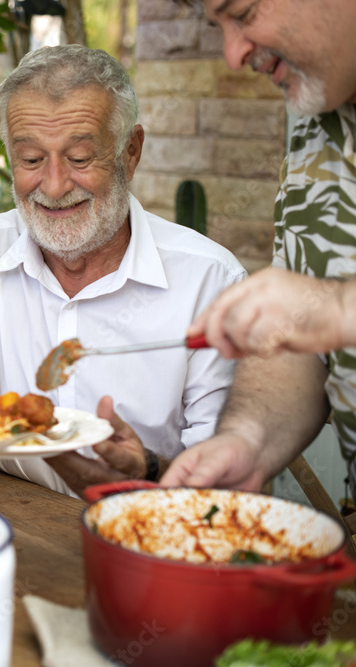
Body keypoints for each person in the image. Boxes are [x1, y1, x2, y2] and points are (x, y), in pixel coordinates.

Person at [0, 45, 247, 498]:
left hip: (149, 528)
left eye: (80, 158)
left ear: (131, 151)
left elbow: (223, 476)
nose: (55, 186)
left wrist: (146, 470)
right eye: (30, 160)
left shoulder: (210, 280)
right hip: (16, 518)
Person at [161, 0, 356, 493]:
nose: (232, 54)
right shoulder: (317, 118)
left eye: (243, 13)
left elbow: (327, 315)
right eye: (218, 26)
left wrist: (338, 310)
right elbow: (301, 346)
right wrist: (247, 439)